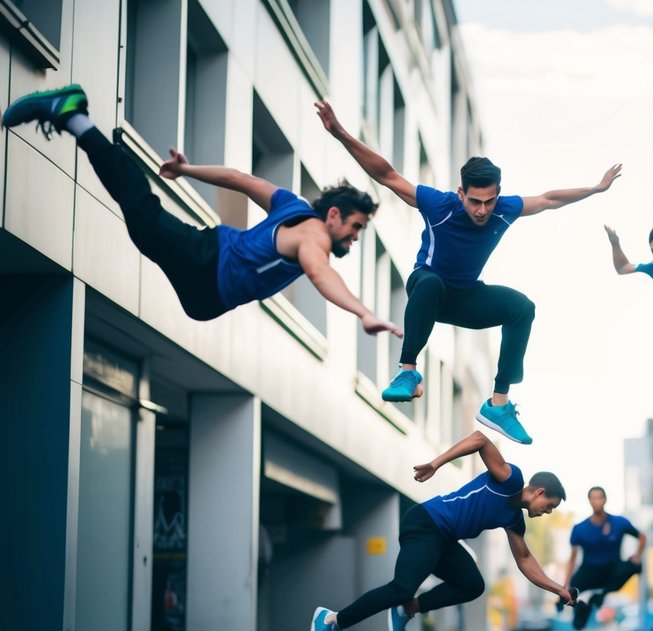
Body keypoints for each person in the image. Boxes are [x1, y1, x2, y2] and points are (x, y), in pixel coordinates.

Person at [316, 100, 621, 444]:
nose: (482, 210)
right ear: (461, 192)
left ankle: (499, 404)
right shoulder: (439, 204)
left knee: (522, 307)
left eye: (489, 201)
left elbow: (550, 199)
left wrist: (596, 189)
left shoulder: (506, 209)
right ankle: (407, 373)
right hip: (427, 288)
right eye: (474, 201)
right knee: (430, 282)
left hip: (465, 297)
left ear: (498, 196)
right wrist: (341, 134)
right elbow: (387, 175)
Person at [1, 85, 401, 335]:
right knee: (144, 217)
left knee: (143, 224)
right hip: (208, 263)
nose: (355, 236)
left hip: (208, 286)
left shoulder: (290, 205)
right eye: (356, 226)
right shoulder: (314, 237)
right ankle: (73, 116)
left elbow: (239, 179)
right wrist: (362, 312)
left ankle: (76, 120)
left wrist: (187, 169)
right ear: (334, 214)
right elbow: (320, 273)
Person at [306, 430, 572, 631]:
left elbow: (525, 561)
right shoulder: (510, 479)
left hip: (445, 540)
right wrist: (436, 464)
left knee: (472, 585)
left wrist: (559, 589)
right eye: (549, 506)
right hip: (425, 523)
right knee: (401, 588)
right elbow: (480, 439)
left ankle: (407, 609)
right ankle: (332, 621)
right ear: (538, 492)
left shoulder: (515, 520)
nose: (547, 512)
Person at [563, 486, 647, 630]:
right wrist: (565, 584)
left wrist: (637, 555)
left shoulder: (619, 522)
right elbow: (572, 559)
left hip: (612, 570)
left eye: (600, 498)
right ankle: (583, 609)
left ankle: (601, 594)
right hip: (589, 571)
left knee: (637, 565)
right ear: (589, 501)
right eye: (593, 498)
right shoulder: (579, 529)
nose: (597, 501)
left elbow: (642, 536)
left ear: (605, 500)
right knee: (573, 597)